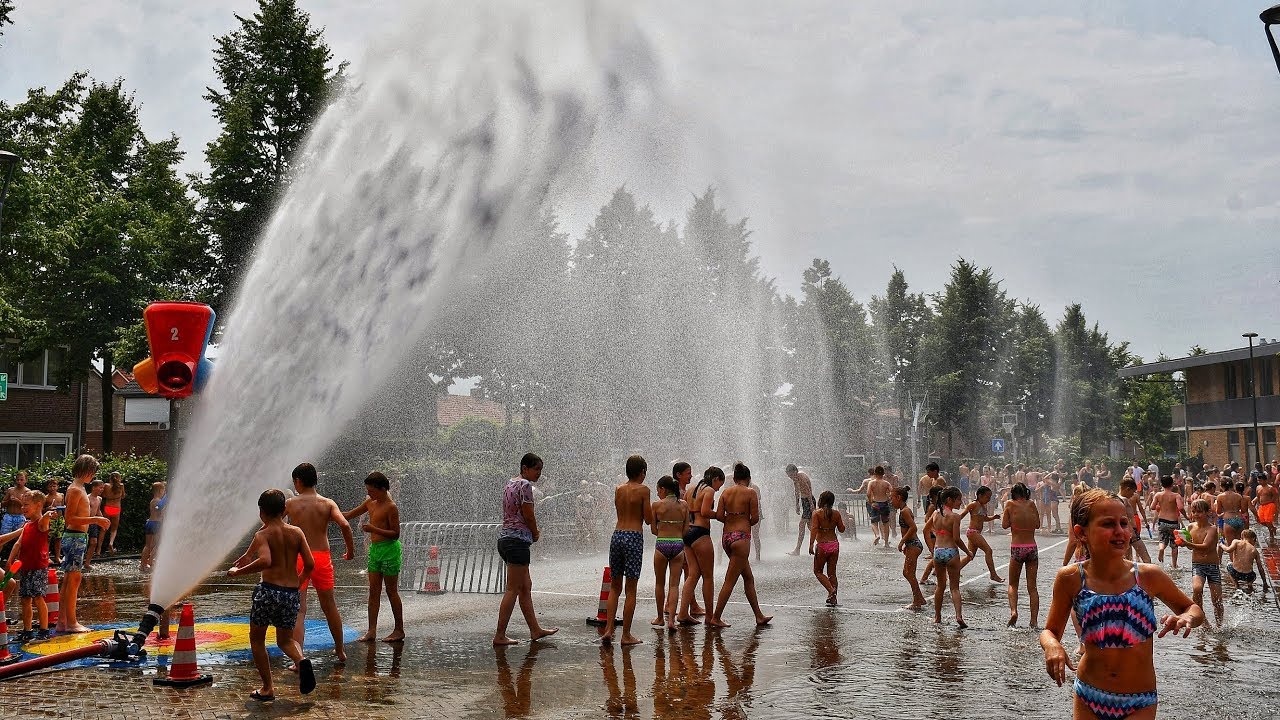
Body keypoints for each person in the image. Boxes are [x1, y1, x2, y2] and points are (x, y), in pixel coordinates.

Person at [1040, 489, 1203, 720]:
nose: (1120, 531)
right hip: (1089, 695)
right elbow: (1050, 631)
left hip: (1139, 701)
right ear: (1081, 532)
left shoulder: (1148, 576)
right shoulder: (1071, 578)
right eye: (1108, 524)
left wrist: (1187, 618)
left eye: (1124, 523)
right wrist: (1052, 646)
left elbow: (1193, 609)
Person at [228, 488, 316, 702]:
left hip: (268, 593)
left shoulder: (263, 534)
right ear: (283, 510)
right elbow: (310, 564)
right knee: (285, 640)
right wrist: (297, 583)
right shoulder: (296, 532)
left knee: (257, 640)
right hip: (290, 593)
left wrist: (238, 572)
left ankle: (267, 688)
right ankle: (301, 660)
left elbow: (266, 560)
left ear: (261, 512)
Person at [286, 462, 355, 662]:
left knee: (299, 609)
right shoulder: (327, 503)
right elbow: (344, 524)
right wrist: (350, 550)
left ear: (297, 481)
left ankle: (299, 658)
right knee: (330, 605)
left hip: (300, 558)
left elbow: (272, 523)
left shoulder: (291, 504)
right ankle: (340, 650)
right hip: (322, 558)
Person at [493, 453, 559, 646]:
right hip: (517, 541)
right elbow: (528, 514)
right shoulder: (525, 486)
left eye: (540, 470)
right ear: (525, 468)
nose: (539, 473)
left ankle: (535, 630)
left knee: (525, 587)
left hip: (506, 539)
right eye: (536, 469)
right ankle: (499, 635)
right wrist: (535, 532)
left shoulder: (510, 484)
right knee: (513, 589)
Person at [343, 471, 404, 643]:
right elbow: (349, 515)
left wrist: (373, 529)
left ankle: (399, 629)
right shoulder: (370, 502)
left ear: (383, 489)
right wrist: (327, 512)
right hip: (375, 550)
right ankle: (371, 630)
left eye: (371, 490)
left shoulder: (391, 507)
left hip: (389, 551)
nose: (369, 493)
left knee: (391, 591)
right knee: (373, 592)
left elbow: (395, 534)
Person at [710, 462, 772, 627]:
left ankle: (758, 615)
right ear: (749, 478)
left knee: (748, 577)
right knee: (730, 580)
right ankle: (715, 617)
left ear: (735, 478)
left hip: (727, 537)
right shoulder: (750, 492)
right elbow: (755, 518)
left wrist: (731, 519)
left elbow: (718, 515)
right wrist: (743, 521)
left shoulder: (725, 492)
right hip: (741, 538)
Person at [600, 455, 653, 645]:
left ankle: (608, 630)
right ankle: (626, 635)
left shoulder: (618, 489)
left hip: (617, 535)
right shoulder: (644, 490)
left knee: (615, 587)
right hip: (633, 537)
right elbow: (647, 518)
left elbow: (619, 511)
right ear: (642, 472)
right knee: (631, 590)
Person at [57, 455, 110, 633]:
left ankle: (63, 622)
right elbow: (69, 518)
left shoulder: (78, 488)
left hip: (77, 537)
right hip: (74, 537)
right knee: (73, 579)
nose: (93, 476)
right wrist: (95, 519)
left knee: (70, 579)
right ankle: (71, 623)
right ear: (87, 470)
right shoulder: (75, 490)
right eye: (93, 472)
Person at [677, 467, 725, 627]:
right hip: (700, 532)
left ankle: (683, 613)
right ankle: (710, 617)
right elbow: (705, 511)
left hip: (688, 533)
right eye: (720, 484)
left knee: (693, 574)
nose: (718, 489)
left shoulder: (690, 489)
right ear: (716, 479)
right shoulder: (709, 490)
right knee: (708, 577)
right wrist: (719, 515)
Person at [6, 490, 53, 641]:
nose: (22, 508)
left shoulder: (41, 523)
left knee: (38, 597)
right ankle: (27, 631)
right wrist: (10, 559)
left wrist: (47, 514)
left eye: (26, 505)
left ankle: (44, 630)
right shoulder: (26, 525)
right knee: (25, 599)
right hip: (25, 567)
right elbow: (18, 543)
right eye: (22, 505)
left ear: (38, 505)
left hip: (38, 567)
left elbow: (45, 520)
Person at [649, 475, 688, 631]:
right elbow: (686, 529)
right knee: (674, 584)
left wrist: (664, 531)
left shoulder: (657, 505)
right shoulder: (684, 505)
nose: (658, 493)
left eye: (658, 489)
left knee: (660, 583)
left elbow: (653, 530)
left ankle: (660, 618)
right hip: (678, 544)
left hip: (662, 544)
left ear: (663, 489)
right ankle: (672, 620)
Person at [1003, 482, 1040, 627]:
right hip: (1032, 547)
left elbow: (1005, 525)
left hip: (1017, 547)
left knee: (1013, 584)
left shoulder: (1010, 504)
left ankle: (1014, 612)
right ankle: (1034, 621)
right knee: (1032, 587)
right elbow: (1037, 524)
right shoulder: (1032, 504)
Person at [1182, 499, 1224, 626]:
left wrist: (1187, 543)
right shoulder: (1190, 527)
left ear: (1208, 512)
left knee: (1216, 599)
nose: (1195, 514)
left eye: (1199, 512)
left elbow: (1205, 546)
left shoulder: (1212, 529)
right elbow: (1190, 547)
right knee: (1197, 588)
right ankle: (1203, 619)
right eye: (1193, 511)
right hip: (1197, 565)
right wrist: (1182, 541)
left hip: (1212, 566)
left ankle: (1219, 624)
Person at [930, 487, 968, 627]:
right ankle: (958, 616)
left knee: (940, 586)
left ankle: (937, 617)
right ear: (949, 500)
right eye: (958, 499)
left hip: (938, 552)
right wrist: (968, 552)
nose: (960, 502)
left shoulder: (935, 514)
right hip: (951, 552)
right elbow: (957, 539)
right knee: (954, 588)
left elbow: (932, 530)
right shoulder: (955, 517)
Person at [671, 462, 704, 616]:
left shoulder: (681, 490)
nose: (691, 475)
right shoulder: (679, 492)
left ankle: (669, 605)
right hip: (681, 537)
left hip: (678, 536)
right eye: (688, 473)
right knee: (688, 571)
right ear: (679, 475)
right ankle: (693, 606)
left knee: (682, 571)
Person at [892, 486, 927, 610]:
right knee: (907, 573)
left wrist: (902, 542)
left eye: (892, 498)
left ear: (898, 498)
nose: (891, 501)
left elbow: (913, 528)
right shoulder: (903, 510)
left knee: (909, 573)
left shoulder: (905, 511)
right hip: (911, 544)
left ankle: (917, 601)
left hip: (913, 544)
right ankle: (919, 598)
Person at [808, 490, 845, 605]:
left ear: (821, 500)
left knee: (818, 571)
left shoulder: (817, 513)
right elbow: (842, 529)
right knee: (832, 573)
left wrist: (810, 544)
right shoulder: (836, 514)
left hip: (822, 546)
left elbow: (814, 529)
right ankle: (833, 598)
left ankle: (831, 590)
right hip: (834, 545)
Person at [960, 486, 1003, 583]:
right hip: (972, 532)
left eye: (990, 497)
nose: (988, 499)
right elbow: (962, 515)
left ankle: (954, 570)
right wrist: (952, 522)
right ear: (980, 495)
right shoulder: (973, 504)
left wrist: (994, 517)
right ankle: (993, 574)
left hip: (976, 533)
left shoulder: (983, 506)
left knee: (970, 556)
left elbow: (984, 519)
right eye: (987, 497)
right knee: (988, 550)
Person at [1150, 475, 1185, 568]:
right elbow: (1181, 507)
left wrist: (1160, 507)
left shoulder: (1158, 495)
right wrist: (1186, 516)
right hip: (1173, 522)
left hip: (1162, 521)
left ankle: (1161, 549)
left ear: (1162, 484)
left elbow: (1152, 507)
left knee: (1162, 540)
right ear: (1172, 484)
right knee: (1174, 545)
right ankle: (1174, 565)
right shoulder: (1176, 495)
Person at [855, 466, 892, 548]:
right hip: (884, 503)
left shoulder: (871, 483)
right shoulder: (886, 483)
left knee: (874, 522)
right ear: (883, 473)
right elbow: (892, 493)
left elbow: (868, 493)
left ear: (875, 473)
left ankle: (877, 535)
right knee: (886, 523)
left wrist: (871, 502)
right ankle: (886, 543)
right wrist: (889, 499)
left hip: (875, 503)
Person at [1223, 529, 1267, 594]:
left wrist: (1221, 545)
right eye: (1255, 541)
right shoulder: (1254, 550)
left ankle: (1236, 586)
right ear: (1253, 538)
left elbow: (1228, 550)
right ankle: (1249, 584)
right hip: (1248, 576)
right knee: (1254, 574)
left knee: (1229, 564)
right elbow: (1260, 568)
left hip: (1235, 573)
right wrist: (1264, 582)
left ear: (1242, 537)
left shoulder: (1236, 542)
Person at [1119, 479, 1152, 564]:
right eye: (1133, 492)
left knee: (1127, 561)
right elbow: (1124, 518)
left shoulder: (1117, 499)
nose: (1133, 494)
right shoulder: (1124, 500)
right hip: (1132, 533)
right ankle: (1148, 576)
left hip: (1126, 532)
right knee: (1147, 559)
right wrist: (1131, 531)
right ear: (1127, 489)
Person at [784, 464, 815, 556]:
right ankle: (824, 543)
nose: (790, 477)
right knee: (810, 526)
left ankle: (797, 550)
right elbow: (797, 491)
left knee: (802, 525)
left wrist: (811, 504)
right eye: (788, 476)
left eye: (790, 475)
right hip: (805, 501)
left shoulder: (800, 477)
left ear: (794, 472)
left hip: (808, 501)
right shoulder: (796, 477)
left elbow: (808, 491)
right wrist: (797, 504)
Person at [140, 482, 166, 572]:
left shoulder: (153, 500)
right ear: (160, 490)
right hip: (156, 524)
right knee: (158, 544)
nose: (164, 492)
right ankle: (150, 562)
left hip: (150, 522)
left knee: (148, 545)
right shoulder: (159, 501)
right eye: (163, 490)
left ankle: (142, 564)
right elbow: (159, 512)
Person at [1215, 481, 1247, 546]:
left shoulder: (1220, 497)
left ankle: (1232, 556)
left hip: (1228, 520)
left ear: (1222, 486)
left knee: (1230, 546)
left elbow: (1218, 511)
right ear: (1232, 486)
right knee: (1239, 545)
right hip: (1239, 519)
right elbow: (1244, 510)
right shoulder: (1238, 496)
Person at [83, 479, 105, 571]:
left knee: (94, 542)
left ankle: (87, 563)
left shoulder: (99, 499)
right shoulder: (87, 498)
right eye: (100, 488)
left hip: (94, 523)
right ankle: (79, 562)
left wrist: (103, 519)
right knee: (83, 543)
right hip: (86, 522)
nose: (102, 489)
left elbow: (98, 510)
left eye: (102, 488)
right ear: (93, 488)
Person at [101, 471, 125, 554]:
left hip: (108, 507)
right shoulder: (121, 486)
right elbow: (123, 496)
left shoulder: (106, 486)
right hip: (116, 508)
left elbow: (103, 495)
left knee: (103, 529)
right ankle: (111, 543)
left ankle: (98, 550)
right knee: (114, 529)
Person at [1252, 473, 1276, 545]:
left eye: (1260, 480)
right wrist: (1254, 501)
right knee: (1260, 520)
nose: (1259, 482)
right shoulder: (1258, 487)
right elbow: (1258, 496)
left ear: (1265, 480)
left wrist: (1271, 503)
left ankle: (1271, 534)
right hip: (1261, 506)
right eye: (1258, 480)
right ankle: (1273, 528)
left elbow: (1275, 497)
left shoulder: (1270, 488)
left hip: (1269, 505)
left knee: (1268, 521)